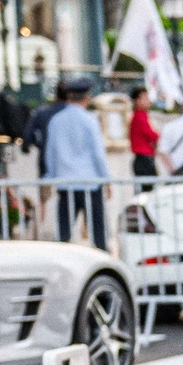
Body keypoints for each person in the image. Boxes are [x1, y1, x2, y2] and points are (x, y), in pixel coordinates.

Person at [42, 76, 110, 248]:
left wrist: (50, 178)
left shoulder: (56, 120)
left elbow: (50, 153)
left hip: (66, 184)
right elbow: (98, 154)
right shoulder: (89, 119)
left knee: (64, 234)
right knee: (99, 234)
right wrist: (106, 179)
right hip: (89, 183)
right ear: (87, 97)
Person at [127, 87, 159, 179]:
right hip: (144, 158)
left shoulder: (141, 115)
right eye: (145, 98)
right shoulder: (139, 116)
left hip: (144, 157)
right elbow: (150, 134)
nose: (148, 101)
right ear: (137, 100)